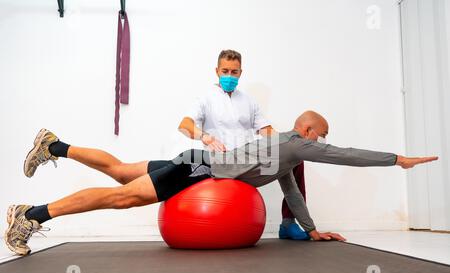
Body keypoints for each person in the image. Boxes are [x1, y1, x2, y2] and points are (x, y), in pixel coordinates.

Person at [5, 111, 438, 255]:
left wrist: (310, 229)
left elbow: (291, 190)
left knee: (120, 171)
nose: (323, 143)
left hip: (197, 161)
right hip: (200, 169)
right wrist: (397, 160)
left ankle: (55, 146)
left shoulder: (283, 152)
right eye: (320, 136)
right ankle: (31, 215)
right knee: (121, 198)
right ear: (308, 131)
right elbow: (346, 156)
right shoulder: (294, 143)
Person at [177, 49, 308, 240]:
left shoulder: (248, 101)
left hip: (247, 164)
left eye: (234, 72)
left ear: (240, 73)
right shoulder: (205, 99)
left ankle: (288, 223)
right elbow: (184, 125)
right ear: (217, 71)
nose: (229, 76)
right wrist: (205, 136)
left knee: (296, 159)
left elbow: (267, 131)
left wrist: (290, 144)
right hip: (221, 165)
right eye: (225, 71)